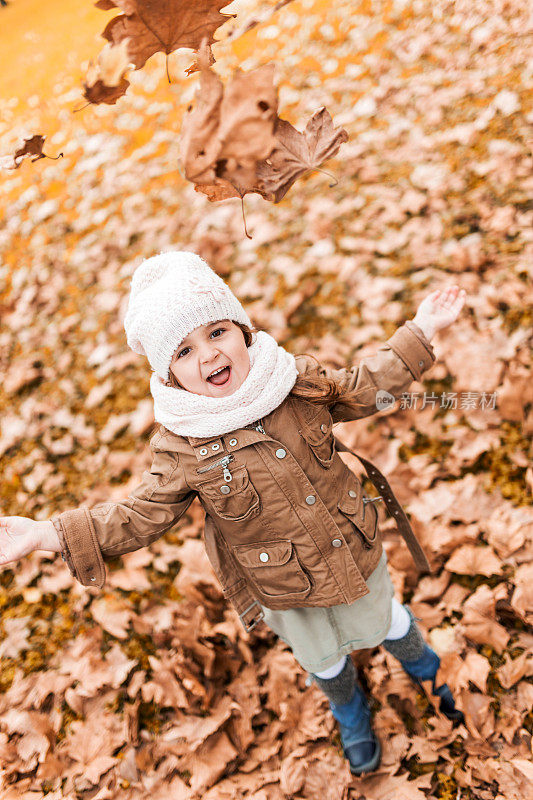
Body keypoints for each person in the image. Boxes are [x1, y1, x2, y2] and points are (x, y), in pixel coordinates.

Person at [0, 251, 467, 775]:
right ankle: (348, 706)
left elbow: (363, 386)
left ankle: (425, 665)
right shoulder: (183, 446)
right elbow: (139, 514)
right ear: (169, 374)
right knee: (321, 655)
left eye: (217, 332)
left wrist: (420, 332)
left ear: (243, 330)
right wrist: (46, 534)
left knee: (382, 616)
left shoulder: (293, 382)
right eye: (183, 350)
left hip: (347, 546)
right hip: (282, 581)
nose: (209, 356)